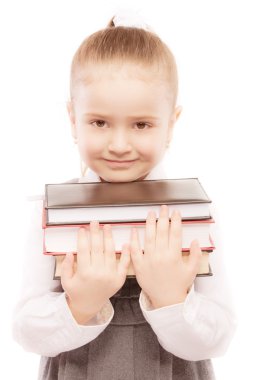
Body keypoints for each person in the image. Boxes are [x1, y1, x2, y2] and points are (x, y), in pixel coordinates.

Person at [13, 13, 237, 380]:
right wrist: (79, 304)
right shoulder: (50, 212)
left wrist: (172, 300)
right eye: (99, 122)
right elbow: (25, 330)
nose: (119, 145)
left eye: (141, 124)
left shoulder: (194, 212)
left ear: (170, 124)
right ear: (73, 118)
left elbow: (221, 336)